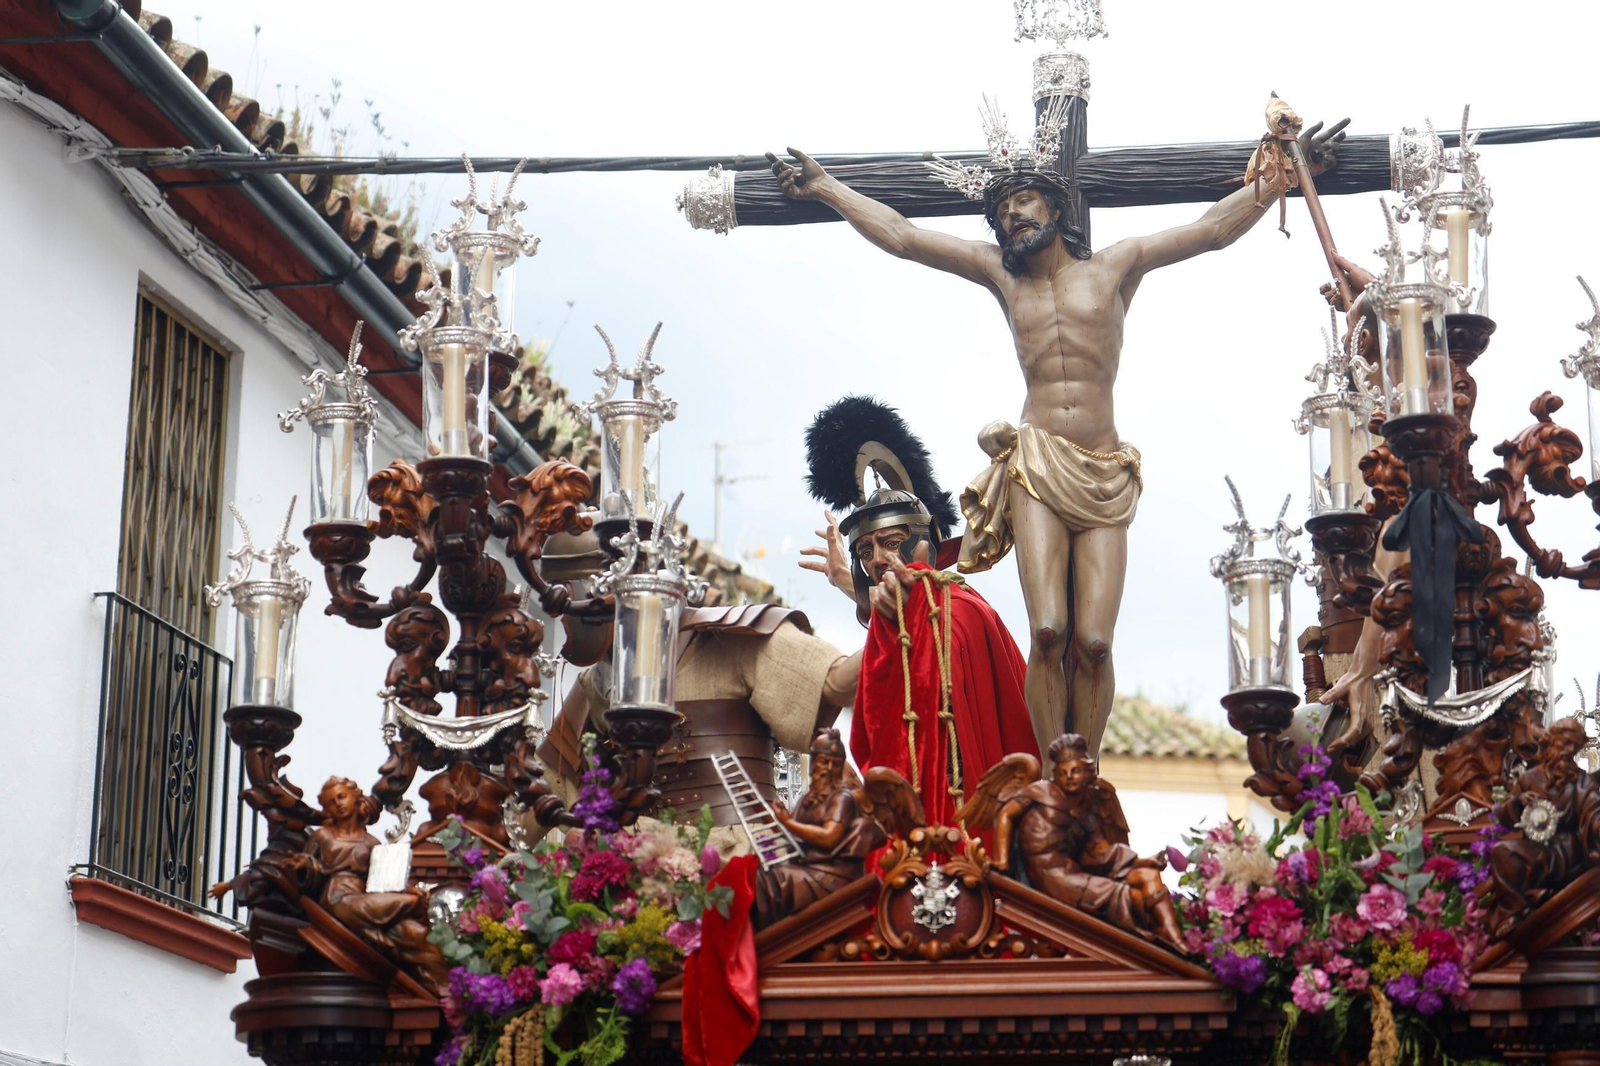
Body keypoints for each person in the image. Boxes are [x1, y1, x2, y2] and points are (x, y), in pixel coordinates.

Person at [769, 113, 1349, 759]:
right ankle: (1053, 772)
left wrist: (1285, 177)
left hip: (1104, 467)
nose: (1014, 216)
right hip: (1036, 461)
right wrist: (827, 188)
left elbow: (1211, 230)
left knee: (1094, 642)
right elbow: (903, 237)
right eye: (1003, 210)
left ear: (1054, 206)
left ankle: (1086, 773)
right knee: (1048, 631)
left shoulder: (1115, 266)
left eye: (1024, 201)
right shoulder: (1001, 274)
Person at [801, 396, 1039, 826]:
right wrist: (854, 588)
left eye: (891, 544)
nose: (875, 559)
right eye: (866, 551)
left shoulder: (961, 609)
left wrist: (879, 602)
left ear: (924, 544)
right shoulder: (905, 615)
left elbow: (918, 627)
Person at [535, 521, 862, 833]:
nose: (561, 619)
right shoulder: (597, 685)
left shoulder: (734, 638)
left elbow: (838, 684)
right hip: (641, 872)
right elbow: (546, 788)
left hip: (744, 867)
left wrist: (888, 602)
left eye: (566, 599)